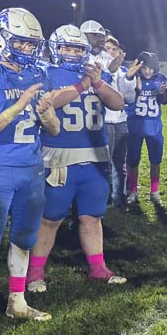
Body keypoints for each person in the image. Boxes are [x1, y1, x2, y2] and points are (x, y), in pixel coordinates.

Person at [0, 8, 88, 335]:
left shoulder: (39, 74)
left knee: (24, 239)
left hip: (32, 168)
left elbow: (52, 130)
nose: (26, 50)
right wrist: (18, 105)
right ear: (1, 39)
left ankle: (17, 301)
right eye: (20, 43)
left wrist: (46, 112)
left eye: (30, 44)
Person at [26, 24, 127, 292]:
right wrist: (84, 84)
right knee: (51, 217)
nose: (72, 53)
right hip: (59, 156)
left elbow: (118, 103)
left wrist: (98, 82)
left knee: (92, 216)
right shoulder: (45, 71)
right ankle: (35, 273)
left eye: (77, 48)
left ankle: (98, 267)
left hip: (95, 156)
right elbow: (49, 102)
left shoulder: (93, 71)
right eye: (67, 48)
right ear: (55, 49)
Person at [81, 20, 127, 207]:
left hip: (104, 117)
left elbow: (118, 92)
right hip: (83, 118)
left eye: (102, 36)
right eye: (96, 36)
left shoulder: (107, 58)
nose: (101, 39)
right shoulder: (78, 56)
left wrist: (114, 71)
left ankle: (105, 197)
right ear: (84, 36)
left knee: (106, 160)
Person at [124, 51, 167, 204]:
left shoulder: (161, 79)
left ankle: (154, 191)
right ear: (140, 67)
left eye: (151, 68)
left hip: (154, 125)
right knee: (132, 160)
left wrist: (162, 93)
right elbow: (126, 97)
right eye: (144, 68)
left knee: (155, 160)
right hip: (135, 124)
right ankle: (133, 190)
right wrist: (135, 89)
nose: (148, 71)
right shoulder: (133, 78)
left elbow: (164, 101)